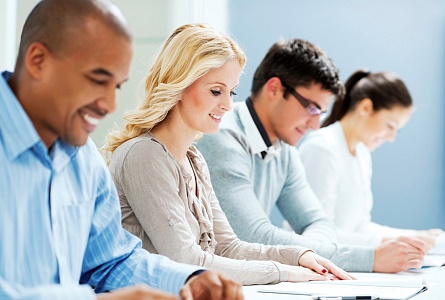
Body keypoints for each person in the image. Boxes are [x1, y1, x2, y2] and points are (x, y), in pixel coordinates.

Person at [0, 0, 243, 299]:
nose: (109, 106)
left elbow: (110, 261)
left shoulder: (83, 159)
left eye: (116, 86)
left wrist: (189, 279)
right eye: (98, 79)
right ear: (38, 60)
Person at [103, 24, 352, 285]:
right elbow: (187, 262)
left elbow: (227, 247)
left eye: (231, 92)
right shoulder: (144, 155)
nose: (227, 105)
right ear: (179, 84)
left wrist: (298, 256)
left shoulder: (194, 160)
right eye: (215, 91)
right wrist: (282, 273)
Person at [197, 38, 428, 273]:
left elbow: (318, 223)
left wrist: (311, 252)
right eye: (311, 108)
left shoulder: (284, 152)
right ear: (274, 89)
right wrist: (370, 259)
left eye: (321, 112)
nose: (316, 125)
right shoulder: (221, 137)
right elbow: (252, 236)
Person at [299, 69, 443, 247]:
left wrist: (416, 237)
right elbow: (318, 234)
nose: (391, 138)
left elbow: (360, 226)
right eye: (391, 125)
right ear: (365, 108)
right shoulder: (322, 148)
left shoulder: (361, 154)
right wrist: (390, 242)